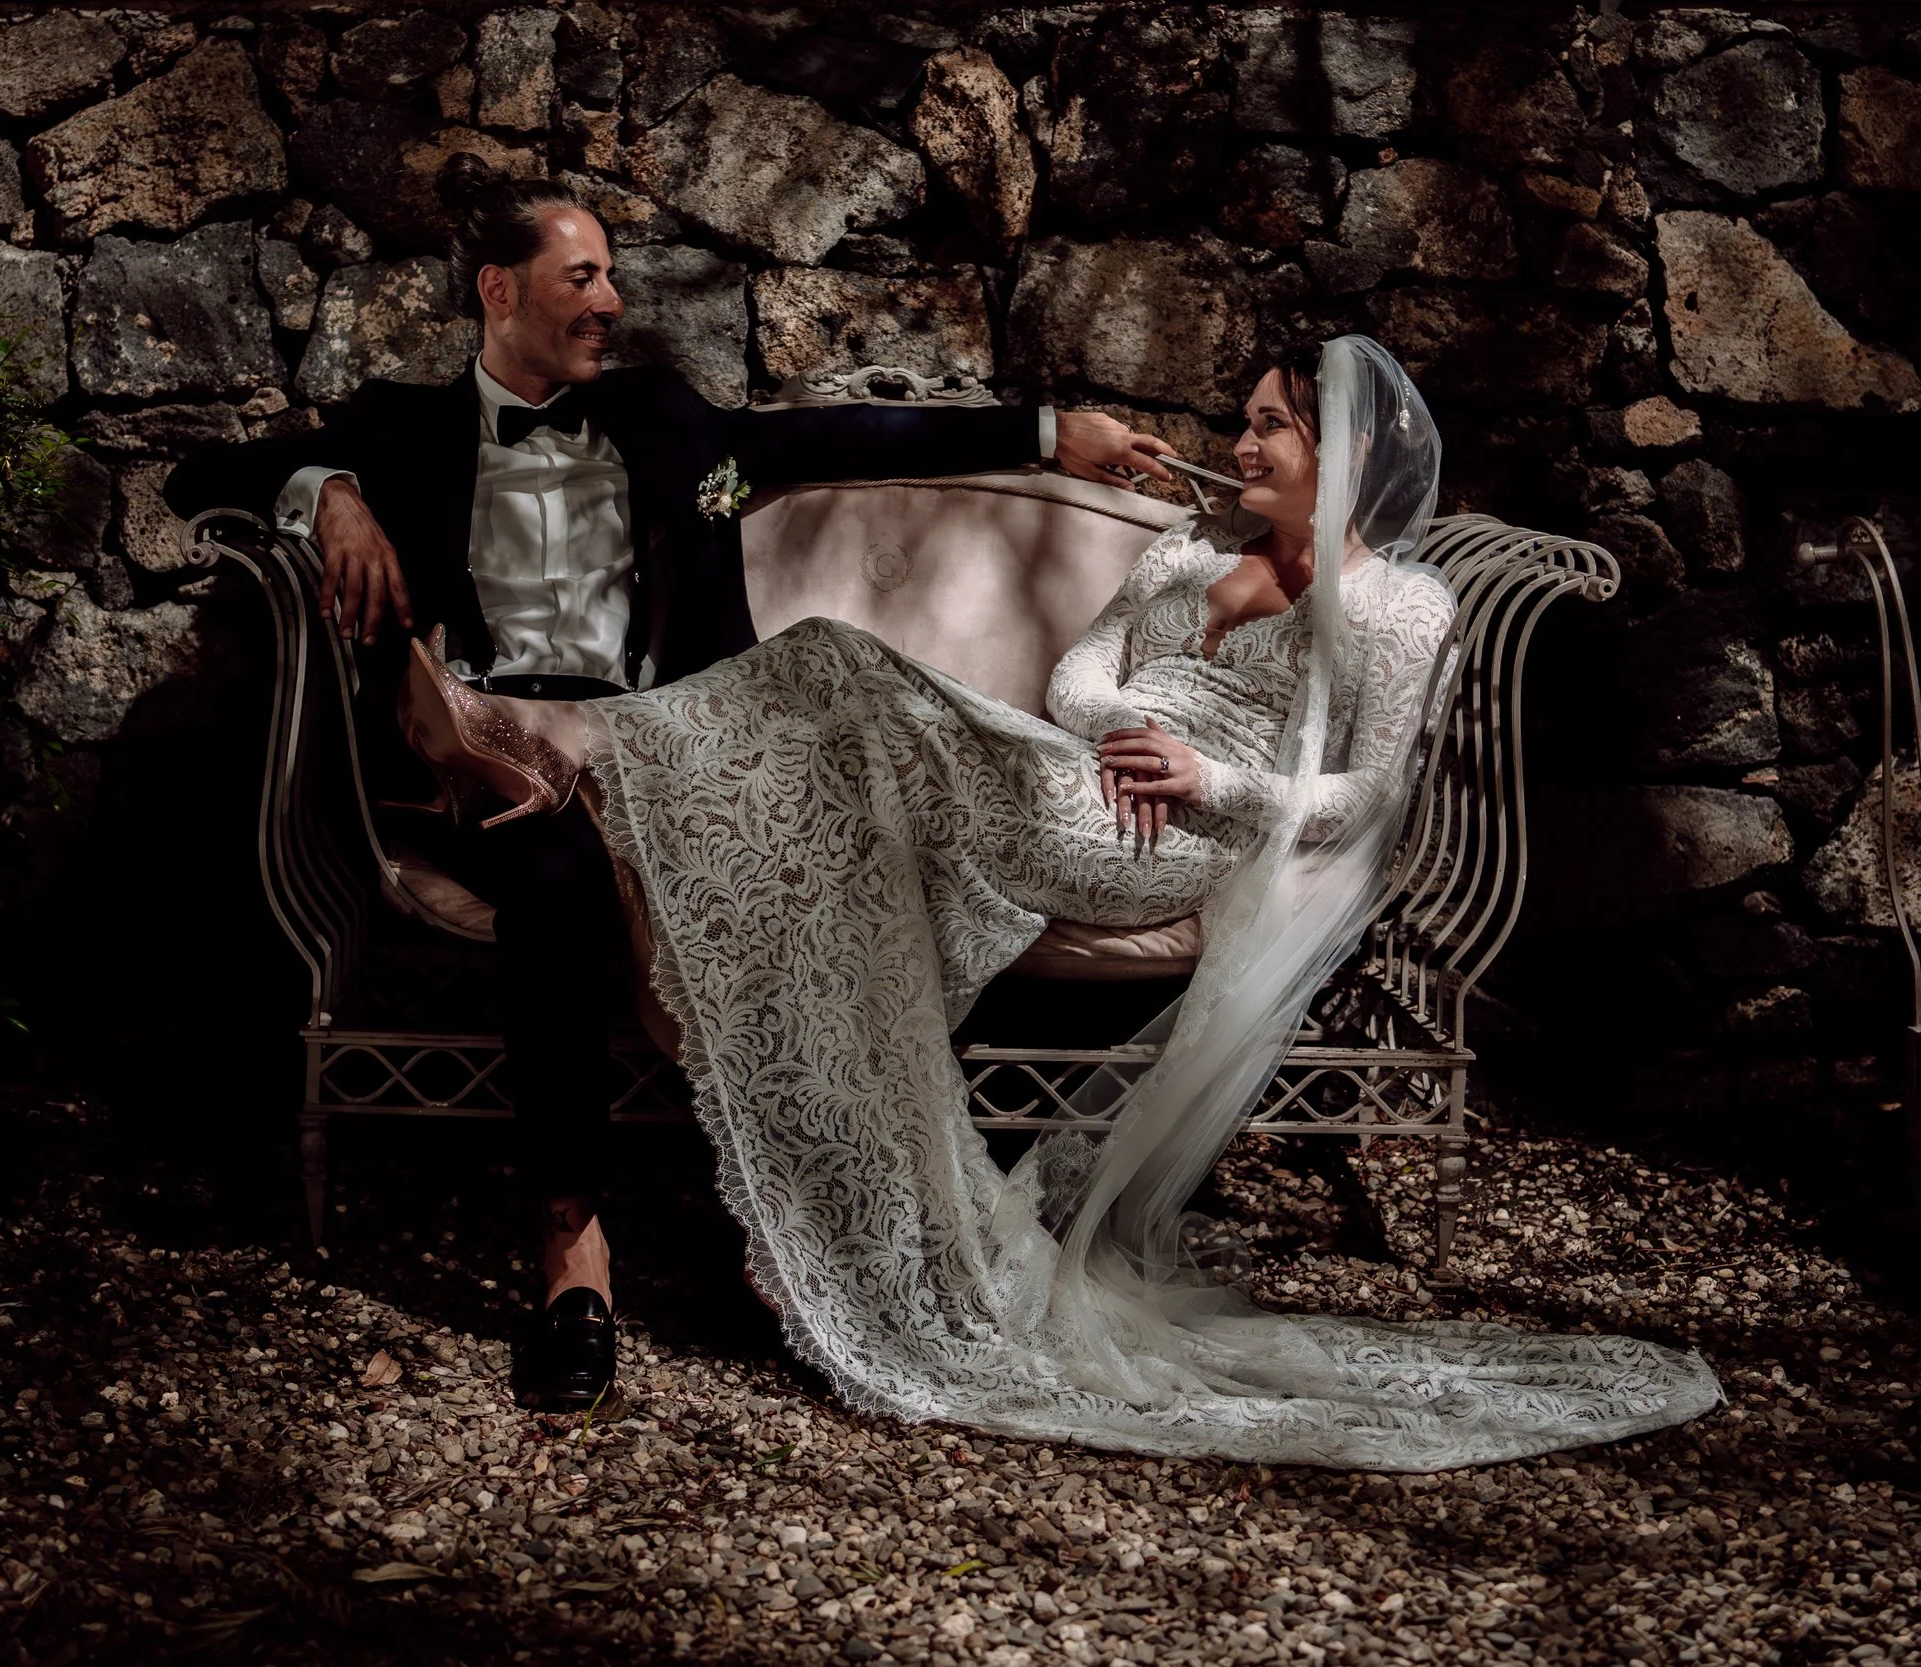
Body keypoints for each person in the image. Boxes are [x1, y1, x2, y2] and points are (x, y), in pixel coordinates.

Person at [395, 335, 1724, 1468]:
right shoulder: (1190, 553)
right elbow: (1083, 675)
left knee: (836, 671)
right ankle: (801, 1168)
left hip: (1173, 831)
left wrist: (1205, 770)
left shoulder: (1400, 605)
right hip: (1075, 776)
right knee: (823, 760)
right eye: (1247, 423)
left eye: (1269, 425)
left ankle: (570, 742)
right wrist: (1126, 725)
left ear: (1344, 448)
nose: (1242, 443)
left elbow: (1365, 798)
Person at [163, 156, 1173, 1412]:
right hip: (500, 769)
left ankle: (818, 1239)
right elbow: (196, 477)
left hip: (671, 749)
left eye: (611, 276)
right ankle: (571, 1252)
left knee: (814, 817)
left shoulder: (665, 424)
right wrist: (333, 499)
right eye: (581, 276)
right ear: (498, 290)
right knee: (549, 871)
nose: (611, 301)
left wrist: (1043, 433)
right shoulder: (399, 427)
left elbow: (834, 437)